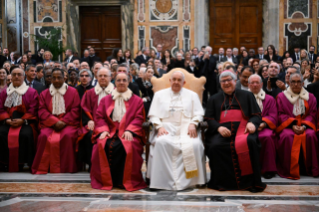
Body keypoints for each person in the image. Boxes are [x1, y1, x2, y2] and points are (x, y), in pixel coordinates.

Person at [205, 70, 266, 192]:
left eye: (229, 80)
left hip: (244, 129)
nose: (226, 83)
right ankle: (221, 182)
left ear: (235, 81)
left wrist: (252, 123)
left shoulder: (247, 95)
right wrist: (218, 127)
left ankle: (250, 182)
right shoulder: (214, 98)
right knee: (215, 146)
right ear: (220, 83)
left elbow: (256, 115)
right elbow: (209, 119)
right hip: (221, 130)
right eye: (223, 81)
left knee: (250, 142)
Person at [147, 71, 206, 190]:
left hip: (187, 129)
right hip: (166, 128)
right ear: (170, 81)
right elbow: (153, 115)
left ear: (183, 82)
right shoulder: (159, 95)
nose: (176, 82)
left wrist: (193, 123)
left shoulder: (192, 95)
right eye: (174, 79)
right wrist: (159, 126)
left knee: (194, 145)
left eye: (179, 80)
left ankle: (191, 181)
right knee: (161, 143)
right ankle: (161, 181)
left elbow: (199, 114)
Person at [90, 72, 147, 191]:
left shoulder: (137, 100)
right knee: (101, 144)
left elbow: (139, 118)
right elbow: (99, 116)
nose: (121, 83)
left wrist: (130, 130)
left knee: (129, 145)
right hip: (110, 130)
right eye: (119, 80)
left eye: (124, 80)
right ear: (114, 82)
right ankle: (105, 180)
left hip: (128, 130)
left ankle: (124, 181)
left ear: (128, 81)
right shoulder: (106, 99)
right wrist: (103, 130)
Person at [32, 68, 81, 174]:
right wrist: (54, 122)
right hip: (50, 124)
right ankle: (47, 166)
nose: (56, 80)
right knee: (44, 136)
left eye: (59, 77)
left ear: (64, 78)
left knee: (67, 136)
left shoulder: (73, 92)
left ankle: (66, 167)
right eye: (53, 78)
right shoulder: (45, 93)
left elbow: (75, 109)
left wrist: (63, 121)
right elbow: (42, 110)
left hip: (68, 124)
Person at [276, 72, 319, 179]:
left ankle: (309, 168)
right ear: (289, 83)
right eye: (293, 82)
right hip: (288, 126)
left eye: (298, 82)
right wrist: (293, 125)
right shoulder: (282, 97)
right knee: (287, 136)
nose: (296, 84)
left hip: (306, 126)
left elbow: (313, 114)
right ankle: (289, 169)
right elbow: (280, 114)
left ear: (303, 83)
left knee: (311, 135)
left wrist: (304, 126)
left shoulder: (310, 97)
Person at [0, 67, 39, 172]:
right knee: (1, 133)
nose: (16, 76)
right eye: (14, 74)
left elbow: (33, 109)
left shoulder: (31, 92)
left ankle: (23, 162)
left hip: (25, 122)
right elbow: (0, 108)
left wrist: (23, 120)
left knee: (26, 135)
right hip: (7, 122)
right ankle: (3, 163)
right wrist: (6, 120)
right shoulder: (4, 92)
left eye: (19, 74)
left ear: (24, 77)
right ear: (11, 77)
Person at [79, 67, 114, 169]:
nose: (102, 78)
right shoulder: (90, 93)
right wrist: (89, 120)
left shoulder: (116, 93)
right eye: (100, 76)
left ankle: (109, 166)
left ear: (110, 77)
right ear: (96, 77)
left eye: (105, 76)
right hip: (94, 123)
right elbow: (84, 109)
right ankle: (93, 165)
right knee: (89, 134)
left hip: (111, 125)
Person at [248, 74, 277, 179]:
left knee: (267, 137)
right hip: (248, 127)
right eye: (252, 83)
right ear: (248, 84)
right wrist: (251, 124)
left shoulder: (269, 99)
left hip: (264, 127)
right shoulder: (243, 98)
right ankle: (248, 169)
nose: (255, 85)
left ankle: (268, 169)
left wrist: (264, 123)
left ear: (261, 84)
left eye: (257, 83)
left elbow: (273, 115)